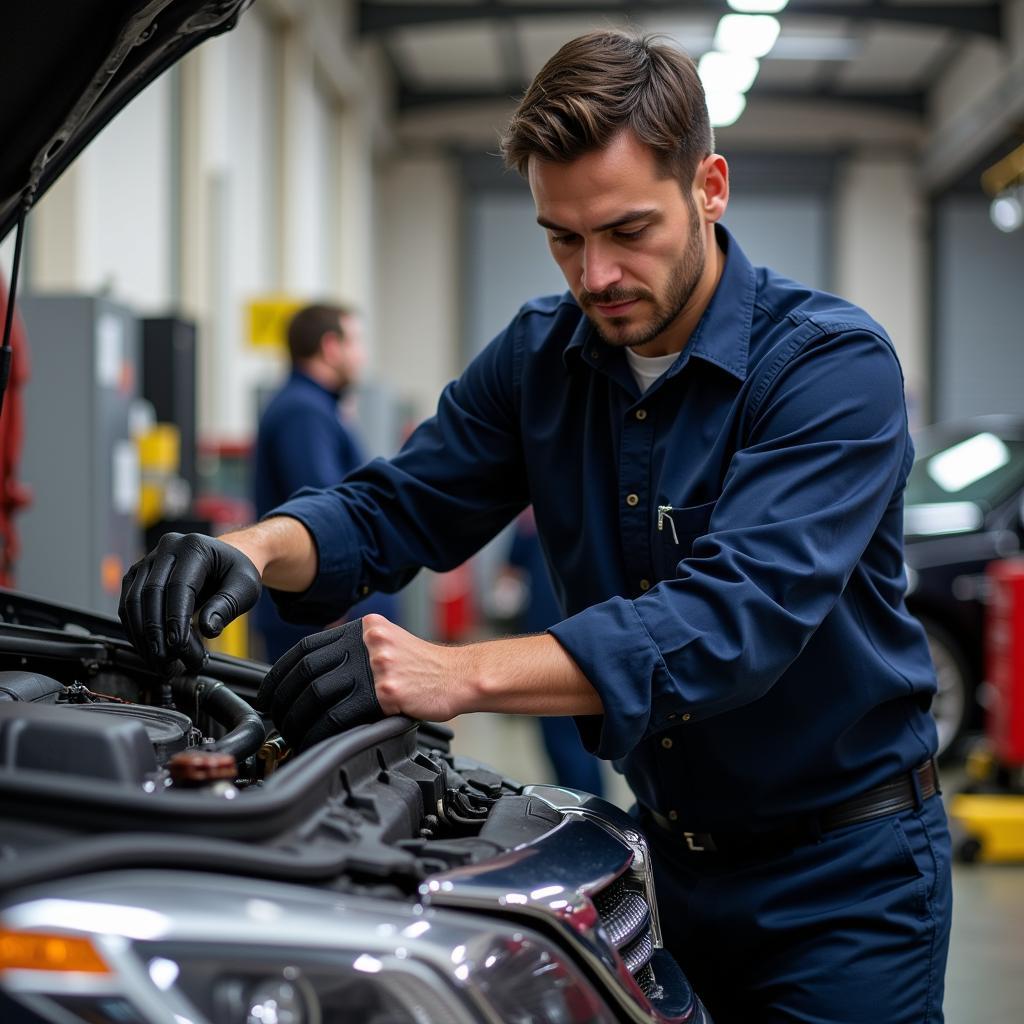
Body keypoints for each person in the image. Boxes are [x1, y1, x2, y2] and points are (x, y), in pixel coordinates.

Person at [120, 30, 952, 1023]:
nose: (594, 274)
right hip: (662, 867)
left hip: (845, 881)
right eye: (563, 237)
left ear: (710, 188)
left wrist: (455, 673)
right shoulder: (540, 354)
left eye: (627, 230)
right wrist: (244, 550)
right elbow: (394, 504)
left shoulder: (828, 368)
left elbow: (738, 617)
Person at [251, 302, 399, 661]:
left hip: (322, 614)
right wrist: (335, 599)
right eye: (356, 342)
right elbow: (323, 508)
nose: (362, 355)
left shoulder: (315, 407)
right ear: (331, 347)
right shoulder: (304, 412)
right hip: (318, 621)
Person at [499, 509, 605, 797]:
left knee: (569, 740)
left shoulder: (537, 517)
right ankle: (583, 808)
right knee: (570, 738)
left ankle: (583, 812)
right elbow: (511, 568)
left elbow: (508, 577)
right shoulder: (535, 517)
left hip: (569, 642)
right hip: (555, 640)